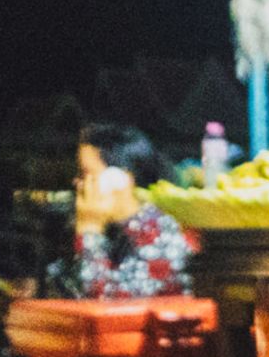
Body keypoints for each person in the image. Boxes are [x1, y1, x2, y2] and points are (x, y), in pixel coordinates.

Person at [60, 124, 193, 299]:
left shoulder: (157, 233)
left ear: (118, 179)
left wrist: (89, 230)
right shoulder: (114, 230)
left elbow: (106, 302)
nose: (78, 183)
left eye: (86, 173)